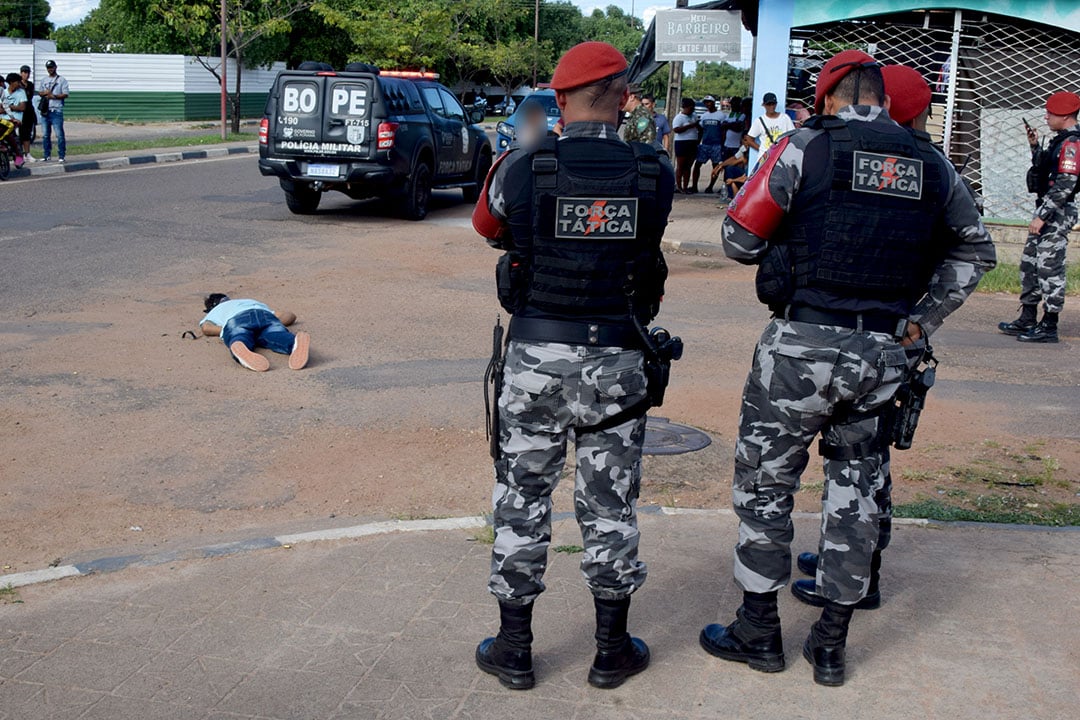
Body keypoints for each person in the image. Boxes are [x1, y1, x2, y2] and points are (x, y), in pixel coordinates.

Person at [700, 49, 995, 687]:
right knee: (856, 493)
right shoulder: (933, 164)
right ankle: (830, 643)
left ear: (829, 96)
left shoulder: (804, 147)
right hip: (882, 354)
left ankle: (759, 630)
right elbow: (976, 250)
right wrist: (921, 320)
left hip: (800, 347)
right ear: (884, 99)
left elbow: (737, 240)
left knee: (765, 484)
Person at [471, 40, 676, 691]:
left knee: (522, 497)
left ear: (557, 100)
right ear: (623, 95)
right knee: (610, 506)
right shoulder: (654, 172)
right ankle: (611, 653)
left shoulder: (521, 166)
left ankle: (513, 648)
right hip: (617, 364)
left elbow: (487, 227)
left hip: (535, 362)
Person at [790, 63, 939, 614]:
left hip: (853, 333)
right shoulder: (928, 164)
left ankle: (862, 571)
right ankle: (847, 564)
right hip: (891, 338)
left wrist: (920, 318)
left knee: (864, 473)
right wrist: (923, 318)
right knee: (867, 464)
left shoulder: (847, 152)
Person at [998, 91, 1079, 344]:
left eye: (1050, 113)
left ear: (1065, 115)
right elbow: (1045, 173)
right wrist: (1034, 145)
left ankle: (1049, 324)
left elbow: (1066, 183)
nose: (1046, 117)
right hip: (1046, 208)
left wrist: (1042, 216)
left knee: (1049, 266)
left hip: (1057, 211)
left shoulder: (1072, 144)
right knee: (1030, 264)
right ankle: (1028, 316)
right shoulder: (1059, 140)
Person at [199, 294, 311, 372]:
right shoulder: (250, 302)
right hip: (263, 314)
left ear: (211, 307)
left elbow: (206, 328)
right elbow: (289, 315)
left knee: (239, 335)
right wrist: (275, 324)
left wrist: (226, 330)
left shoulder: (216, 310)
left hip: (236, 319)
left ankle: (239, 343)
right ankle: (293, 342)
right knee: (275, 334)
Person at [744, 92, 795, 168]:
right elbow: (748, 139)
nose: (771, 106)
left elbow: (793, 135)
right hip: (765, 158)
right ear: (764, 105)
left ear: (776, 104)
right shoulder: (759, 121)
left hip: (781, 157)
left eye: (773, 104)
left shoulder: (785, 118)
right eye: (769, 104)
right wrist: (761, 149)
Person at [692, 95, 727, 193]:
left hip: (716, 144)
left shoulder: (721, 115)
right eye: (706, 102)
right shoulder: (704, 116)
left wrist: (722, 144)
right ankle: (694, 186)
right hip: (705, 144)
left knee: (715, 166)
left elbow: (723, 131)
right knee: (697, 164)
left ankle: (710, 186)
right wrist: (698, 142)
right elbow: (701, 130)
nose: (707, 104)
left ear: (713, 102)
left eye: (709, 102)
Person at [38, 60, 68, 163]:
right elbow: (40, 92)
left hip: (56, 110)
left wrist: (53, 96)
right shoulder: (44, 80)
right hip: (46, 110)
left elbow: (65, 94)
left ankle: (61, 155)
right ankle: (47, 155)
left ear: (56, 67)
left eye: (51, 67)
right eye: (48, 68)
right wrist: (44, 93)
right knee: (45, 134)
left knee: (59, 134)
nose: (50, 69)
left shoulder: (62, 80)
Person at [719, 95, 748, 199]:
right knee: (726, 168)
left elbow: (738, 127)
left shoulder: (742, 115)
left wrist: (728, 125)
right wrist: (730, 125)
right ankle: (726, 186)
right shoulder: (730, 114)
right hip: (727, 145)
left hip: (736, 146)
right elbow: (722, 126)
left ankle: (732, 189)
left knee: (735, 166)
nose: (734, 105)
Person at [672, 97, 700, 193]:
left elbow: (699, 128)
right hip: (682, 142)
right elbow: (676, 130)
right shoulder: (679, 117)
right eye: (690, 108)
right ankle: (678, 186)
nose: (692, 110)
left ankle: (685, 187)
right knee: (681, 166)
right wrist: (689, 126)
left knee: (688, 166)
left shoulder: (694, 116)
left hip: (692, 142)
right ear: (685, 108)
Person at [1, 72, 27, 168]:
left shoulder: (21, 93)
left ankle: (18, 154)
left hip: (16, 119)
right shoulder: (4, 93)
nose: (19, 84)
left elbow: (22, 108)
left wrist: (8, 107)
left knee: (10, 133)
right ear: (11, 82)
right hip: (4, 119)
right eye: (17, 82)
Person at [18, 65, 36, 162]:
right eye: (24, 72)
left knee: (27, 133)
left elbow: (29, 96)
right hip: (20, 111)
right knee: (20, 133)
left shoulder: (30, 84)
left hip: (28, 110)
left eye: (28, 73)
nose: (26, 74)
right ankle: (19, 155)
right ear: (21, 73)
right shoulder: (17, 84)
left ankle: (27, 153)